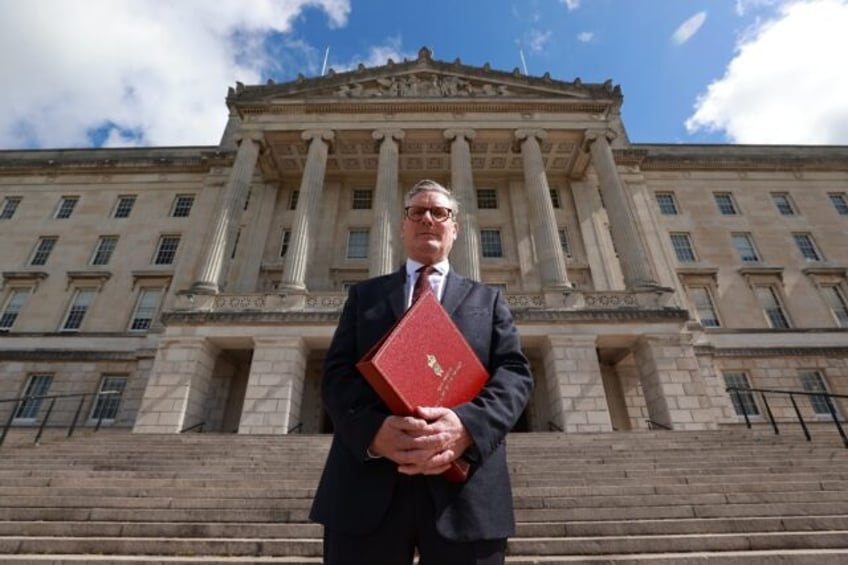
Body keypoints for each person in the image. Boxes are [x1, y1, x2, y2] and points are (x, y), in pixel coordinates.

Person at [309, 179, 533, 565]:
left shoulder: (489, 299)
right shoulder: (364, 295)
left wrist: (466, 426)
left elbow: (514, 375)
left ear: (455, 227)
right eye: (417, 212)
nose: (428, 219)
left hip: (467, 495)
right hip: (366, 489)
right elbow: (337, 375)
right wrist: (374, 432)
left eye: (439, 212)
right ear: (403, 225)